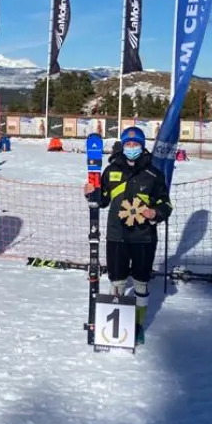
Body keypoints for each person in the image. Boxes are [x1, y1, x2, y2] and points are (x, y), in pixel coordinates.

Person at [83, 126, 172, 344]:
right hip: (117, 236)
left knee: (141, 284)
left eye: (136, 144)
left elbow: (166, 204)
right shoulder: (110, 171)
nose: (132, 147)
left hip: (144, 238)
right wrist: (91, 193)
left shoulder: (154, 174)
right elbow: (102, 200)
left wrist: (156, 213)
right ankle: (117, 327)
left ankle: (138, 325)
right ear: (123, 146)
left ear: (142, 146)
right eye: (128, 144)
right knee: (118, 282)